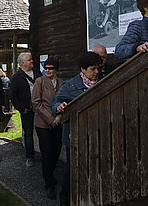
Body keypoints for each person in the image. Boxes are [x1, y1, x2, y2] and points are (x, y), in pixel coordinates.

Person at [50, 52, 102, 206]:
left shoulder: (102, 82)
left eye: (98, 68)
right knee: (72, 170)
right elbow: (55, 101)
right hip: (74, 136)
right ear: (83, 70)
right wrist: (58, 107)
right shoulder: (71, 85)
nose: (97, 72)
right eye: (92, 69)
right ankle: (65, 200)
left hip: (96, 134)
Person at [31, 58, 64, 200]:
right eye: (46, 68)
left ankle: (50, 174)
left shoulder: (62, 82)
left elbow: (66, 101)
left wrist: (59, 118)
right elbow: (36, 103)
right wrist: (51, 119)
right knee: (47, 153)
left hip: (59, 121)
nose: (48, 70)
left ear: (56, 69)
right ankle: (49, 184)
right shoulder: (40, 81)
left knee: (56, 151)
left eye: (51, 68)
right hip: (43, 124)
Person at [10, 52, 42, 167]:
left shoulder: (37, 73)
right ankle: (30, 157)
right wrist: (22, 108)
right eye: (29, 60)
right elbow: (13, 96)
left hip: (40, 109)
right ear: (23, 63)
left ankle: (45, 155)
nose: (32, 61)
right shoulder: (16, 77)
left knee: (43, 132)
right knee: (28, 134)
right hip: (27, 111)